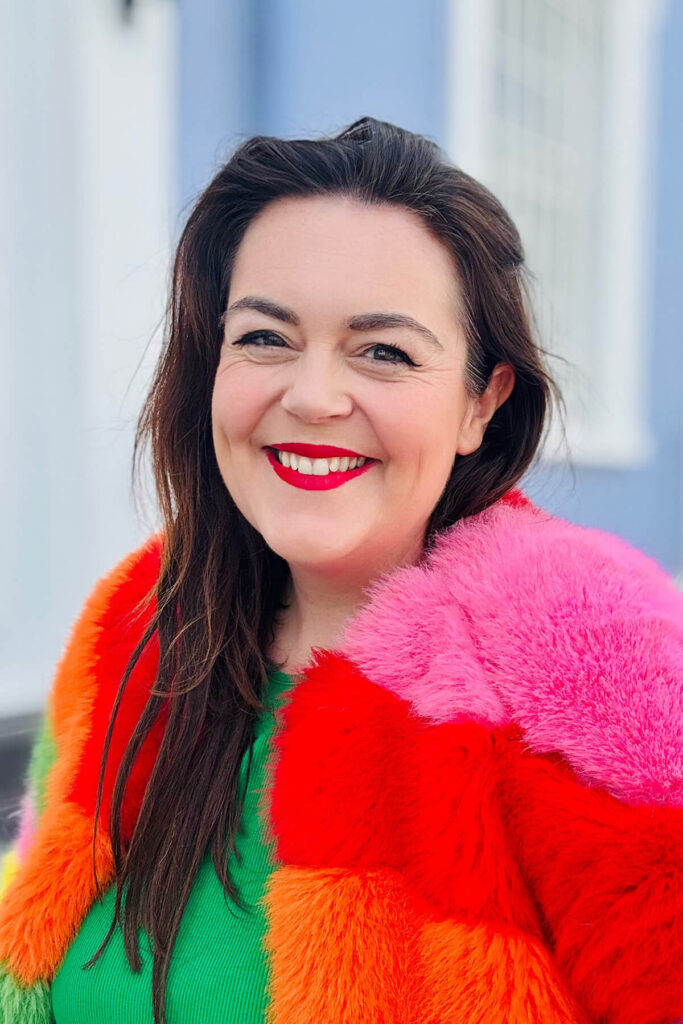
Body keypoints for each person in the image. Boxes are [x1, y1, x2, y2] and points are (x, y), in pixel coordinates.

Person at [0, 115, 681, 1024]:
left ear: (483, 400)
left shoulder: (598, 670)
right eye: (264, 338)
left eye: (384, 352)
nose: (312, 396)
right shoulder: (134, 632)